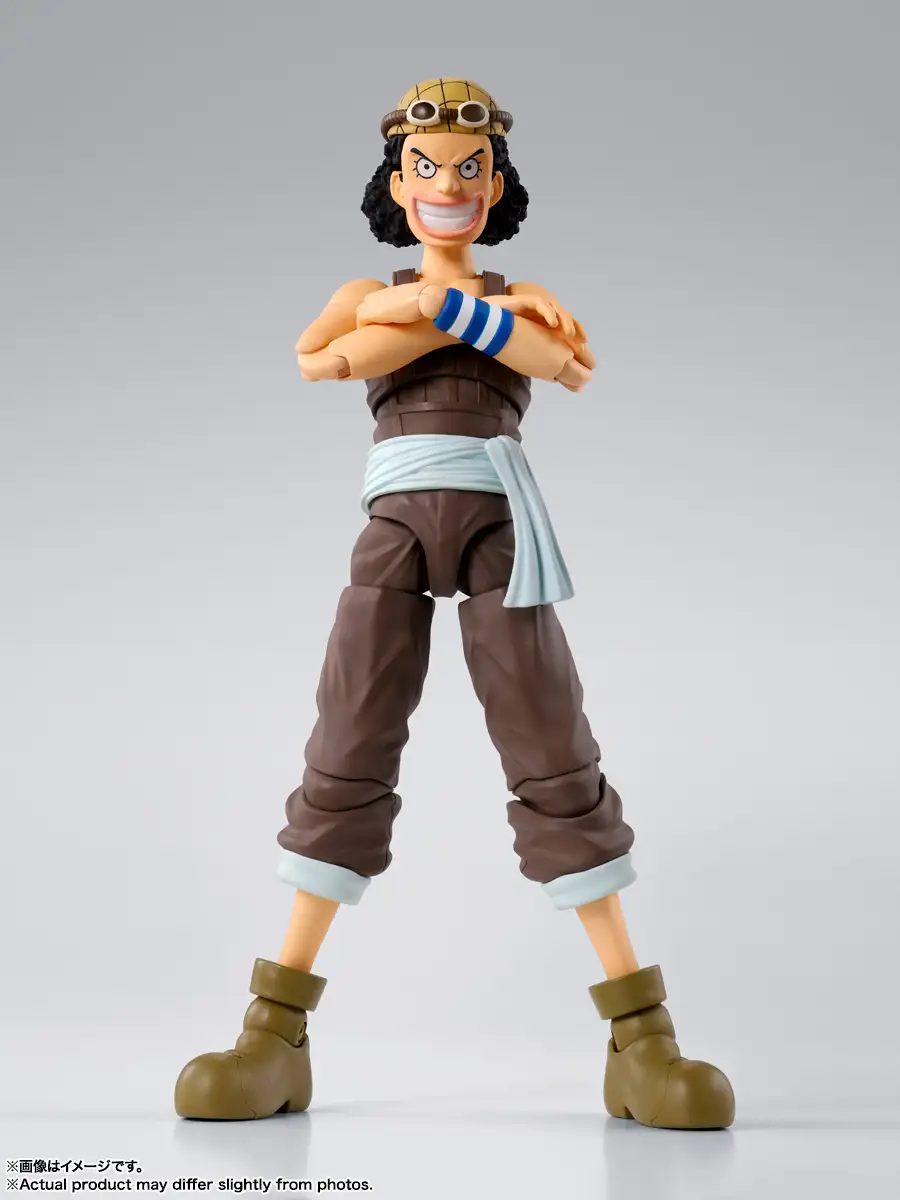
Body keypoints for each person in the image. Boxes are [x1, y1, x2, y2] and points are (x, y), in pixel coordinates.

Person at [174, 78, 735, 1130]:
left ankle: (641, 1040)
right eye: (426, 166)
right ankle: (273, 1032)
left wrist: (435, 311)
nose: (448, 185)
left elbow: (560, 366)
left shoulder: (521, 297)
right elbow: (324, 360)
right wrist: (442, 313)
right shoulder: (369, 290)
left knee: (551, 744)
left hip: (499, 531)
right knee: (348, 742)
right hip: (393, 527)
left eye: (469, 168)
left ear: (497, 184)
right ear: (397, 183)